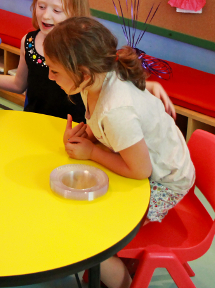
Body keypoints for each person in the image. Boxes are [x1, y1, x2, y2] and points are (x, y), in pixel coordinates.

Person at [44, 17, 195, 288]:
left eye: (54, 71)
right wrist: (86, 136)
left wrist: (91, 152)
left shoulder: (116, 111)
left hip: (163, 182)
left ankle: (123, 283)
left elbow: (140, 171)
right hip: (146, 164)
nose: (49, 76)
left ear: (83, 73)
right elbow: (99, 123)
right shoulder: (96, 80)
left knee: (91, 238)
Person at [0, 0, 174, 122]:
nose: (46, 16)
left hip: (77, 132)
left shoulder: (83, 49)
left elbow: (111, 80)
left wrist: (148, 86)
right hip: (34, 126)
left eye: (56, 10)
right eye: (41, 6)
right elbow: (18, 84)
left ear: (75, 12)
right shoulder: (28, 43)